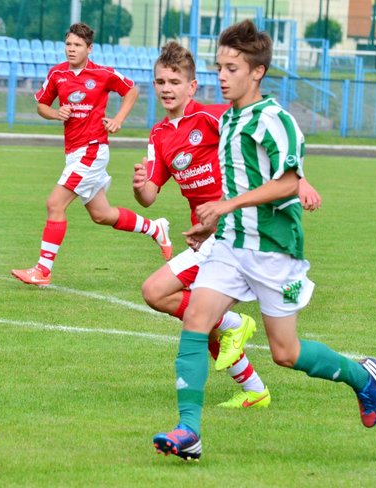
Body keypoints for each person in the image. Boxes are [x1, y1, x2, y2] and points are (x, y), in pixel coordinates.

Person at [152, 20, 376, 461]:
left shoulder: (275, 120)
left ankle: (362, 376)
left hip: (274, 250)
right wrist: (212, 223)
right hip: (230, 246)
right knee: (196, 319)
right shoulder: (229, 119)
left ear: (257, 72)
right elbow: (241, 182)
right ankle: (189, 430)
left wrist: (226, 205)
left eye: (232, 68)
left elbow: (289, 182)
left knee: (285, 352)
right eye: (219, 67)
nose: (222, 76)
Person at [133, 42, 322, 411]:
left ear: (192, 86)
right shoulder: (159, 135)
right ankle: (253, 387)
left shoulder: (212, 117)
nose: (167, 88)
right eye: (160, 82)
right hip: (206, 235)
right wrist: (139, 185)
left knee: (160, 293)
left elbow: (265, 146)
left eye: (175, 81)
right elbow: (149, 197)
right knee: (188, 311)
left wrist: (301, 182)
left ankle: (232, 325)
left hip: (233, 231)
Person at [11, 23, 171, 287]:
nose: (71, 49)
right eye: (68, 44)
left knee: (55, 204)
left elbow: (132, 90)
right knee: (102, 214)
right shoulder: (57, 74)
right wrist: (56, 113)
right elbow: (41, 105)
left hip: (93, 150)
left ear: (89, 48)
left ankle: (42, 271)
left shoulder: (103, 73)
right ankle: (155, 228)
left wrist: (118, 119)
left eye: (77, 45)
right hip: (74, 153)